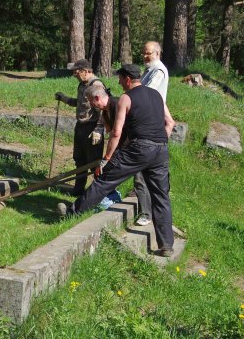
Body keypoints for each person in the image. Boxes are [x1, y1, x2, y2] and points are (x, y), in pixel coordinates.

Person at [59, 64, 176, 257]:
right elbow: (170, 123)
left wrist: (106, 159)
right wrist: (158, 140)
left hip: (139, 148)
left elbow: (116, 133)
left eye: (121, 79)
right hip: (161, 149)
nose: (120, 83)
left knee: (104, 181)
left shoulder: (126, 98)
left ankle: (72, 213)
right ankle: (166, 245)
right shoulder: (156, 95)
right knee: (161, 196)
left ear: (128, 79)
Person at [55, 59, 106, 195]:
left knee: (94, 163)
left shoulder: (97, 86)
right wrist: (64, 98)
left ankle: (98, 193)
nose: (74, 75)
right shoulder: (82, 85)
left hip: (92, 128)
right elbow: (79, 104)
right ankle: (78, 190)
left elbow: (104, 110)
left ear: (86, 71)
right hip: (81, 127)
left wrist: (98, 130)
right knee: (80, 160)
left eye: (76, 72)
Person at [134, 41, 170, 226]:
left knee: (143, 170)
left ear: (157, 53)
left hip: (150, 124)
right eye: (143, 53)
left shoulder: (158, 71)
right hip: (149, 122)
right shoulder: (149, 70)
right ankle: (144, 202)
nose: (145, 56)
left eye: (148, 53)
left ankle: (146, 213)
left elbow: (147, 93)